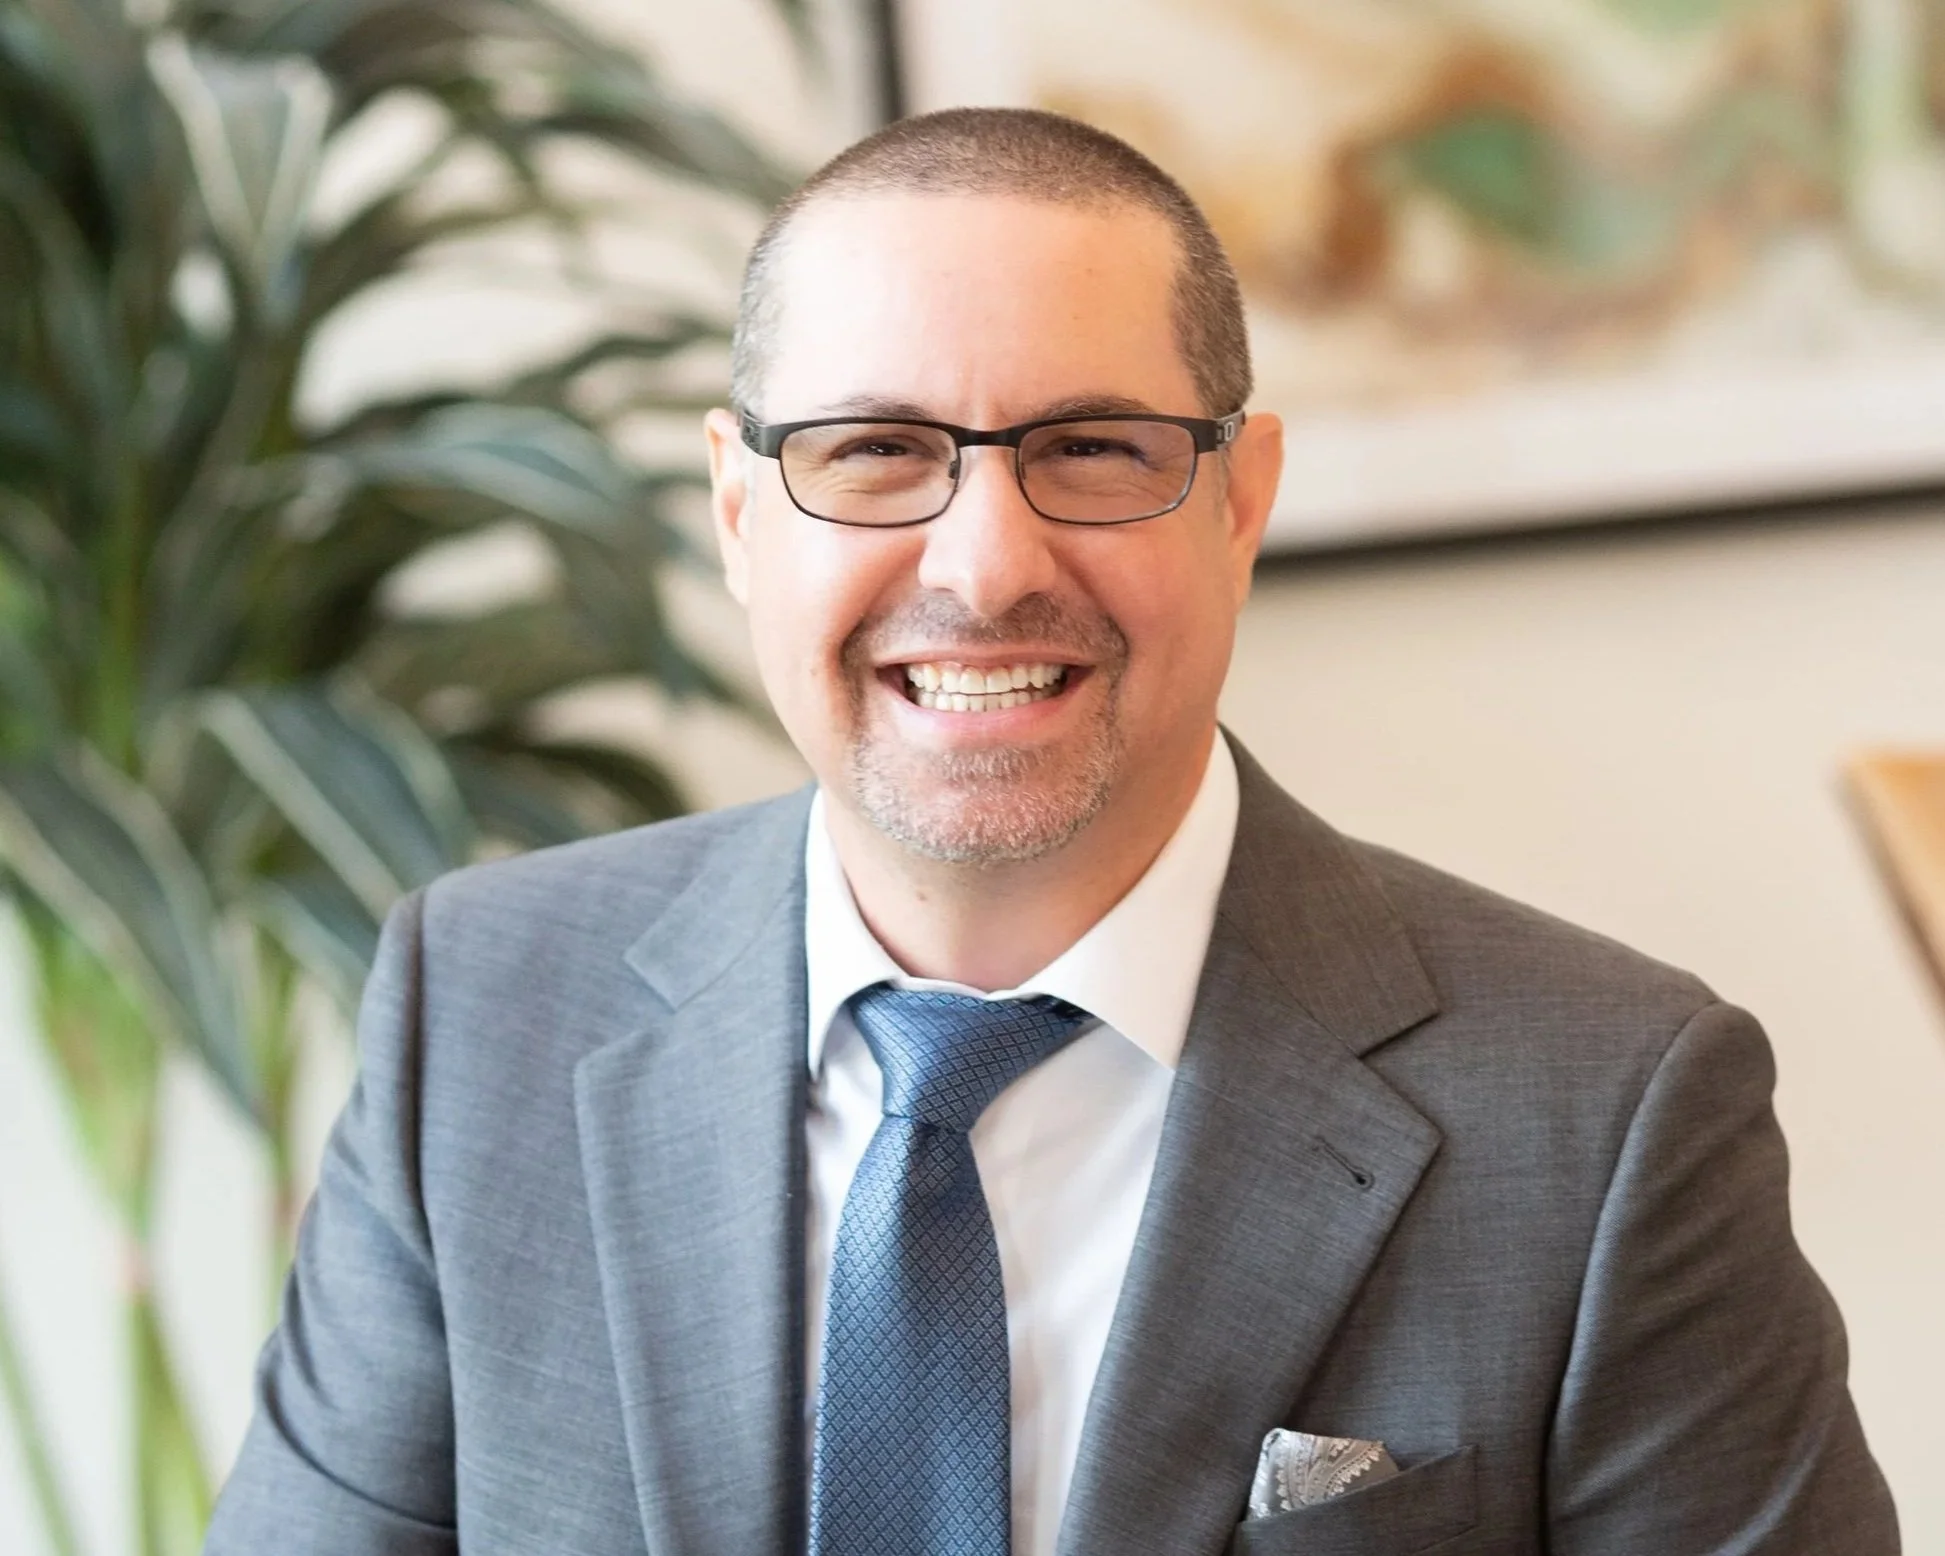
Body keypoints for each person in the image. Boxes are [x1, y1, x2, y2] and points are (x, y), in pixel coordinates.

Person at [205, 107, 1899, 1556]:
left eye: (1093, 448)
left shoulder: (1611, 1109)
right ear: (738, 514)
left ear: (1241, 502)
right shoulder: (479, 1013)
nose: (988, 561)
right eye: (876, 450)